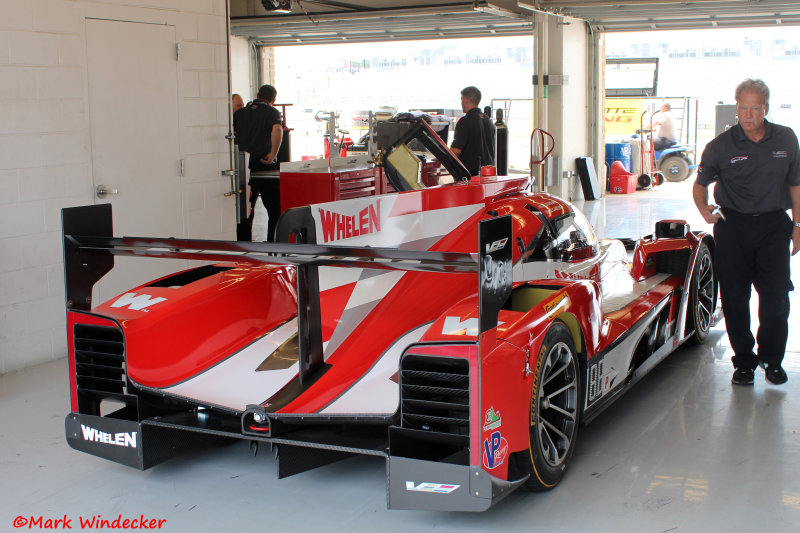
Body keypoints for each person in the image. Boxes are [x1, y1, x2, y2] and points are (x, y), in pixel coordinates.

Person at [693, 78, 800, 386]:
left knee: (776, 298)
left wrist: (797, 225)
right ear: (736, 108)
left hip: (773, 227)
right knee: (735, 298)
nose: (749, 114)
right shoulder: (721, 146)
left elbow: (796, 184)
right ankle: (744, 362)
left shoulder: (786, 139)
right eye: (743, 108)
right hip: (733, 227)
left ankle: (772, 359)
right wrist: (704, 210)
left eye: (755, 108)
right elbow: (700, 185)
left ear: (766, 108)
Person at [233, 84, 283, 241]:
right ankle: (273, 248)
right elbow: (277, 130)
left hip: (244, 168)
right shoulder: (272, 112)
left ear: (257, 94)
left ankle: (244, 248)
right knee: (274, 211)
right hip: (266, 168)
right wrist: (273, 153)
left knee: (245, 211)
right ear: (273, 100)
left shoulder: (239, 114)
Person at [451, 86, 495, 176]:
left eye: (462, 100)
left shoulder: (465, 121)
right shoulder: (488, 121)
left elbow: (456, 151)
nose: (461, 103)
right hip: (488, 174)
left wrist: (439, 157)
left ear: (466, 100)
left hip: (470, 175)